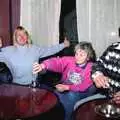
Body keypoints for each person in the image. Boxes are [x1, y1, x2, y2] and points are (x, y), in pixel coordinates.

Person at [33, 41, 97, 120]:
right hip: (66, 87)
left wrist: (67, 87)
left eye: (81, 55)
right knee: (54, 96)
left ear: (88, 57)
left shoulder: (92, 67)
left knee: (71, 96)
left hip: (83, 92)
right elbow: (57, 62)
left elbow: (83, 86)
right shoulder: (70, 60)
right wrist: (43, 65)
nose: (77, 57)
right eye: (76, 54)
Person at [0, 26, 70, 85]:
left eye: (24, 34)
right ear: (15, 37)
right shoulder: (8, 51)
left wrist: (63, 45)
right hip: (16, 86)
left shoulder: (35, 49)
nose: (22, 36)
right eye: (19, 35)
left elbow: (50, 50)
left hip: (34, 85)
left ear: (27, 37)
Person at [91, 36, 120, 103]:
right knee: (79, 106)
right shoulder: (113, 48)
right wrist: (98, 74)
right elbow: (98, 63)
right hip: (106, 95)